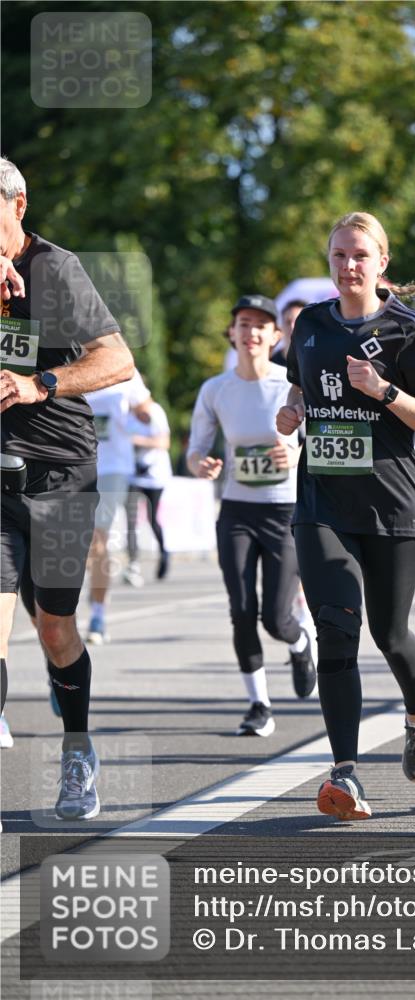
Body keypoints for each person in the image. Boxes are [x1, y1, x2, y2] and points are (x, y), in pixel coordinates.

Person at [276, 211, 415, 821]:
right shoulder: (310, 324)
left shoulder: (409, 330)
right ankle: (344, 774)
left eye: (359, 256)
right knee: (335, 623)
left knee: (391, 635)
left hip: (394, 506)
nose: (348, 266)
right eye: (338, 256)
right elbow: (299, 386)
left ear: (382, 263)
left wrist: (384, 391)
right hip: (323, 503)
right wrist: (292, 410)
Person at [0, 156, 133, 823]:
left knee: (54, 627)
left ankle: (78, 749)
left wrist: (37, 384)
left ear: (18, 206)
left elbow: (117, 359)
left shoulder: (58, 270)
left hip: (59, 469)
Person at [188, 293, 316, 737]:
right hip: (238, 511)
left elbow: (317, 445)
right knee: (241, 610)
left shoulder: (291, 385)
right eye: (243, 323)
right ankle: (259, 704)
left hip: (284, 511)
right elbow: (194, 452)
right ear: (233, 333)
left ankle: (300, 643)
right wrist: (201, 465)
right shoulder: (215, 390)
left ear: (276, 336)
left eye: (261, 325)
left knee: (275, 618)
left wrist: (295, 452)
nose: (251, 332)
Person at [85, 369, 150, 641]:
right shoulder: (61, 358)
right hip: (74, 463)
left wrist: (139, 416)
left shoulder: (123, 366)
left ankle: (98, 614)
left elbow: (147, 411)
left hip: (112, 467)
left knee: (97, 537)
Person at [123, 394, 172, 585]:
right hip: (134, 474)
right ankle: (133, 563)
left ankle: (164, 553)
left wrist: (137, 441)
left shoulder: (156, 412)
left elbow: (163, 443)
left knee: (152, 519)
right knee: (131, 520)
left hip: (155, 475)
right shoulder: (127, 415)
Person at [271, 299, 307, 367]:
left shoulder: (320, 361)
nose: (292, 327)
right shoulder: (270, 364)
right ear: (280, 327)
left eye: (297, 321)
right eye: (288, 322)